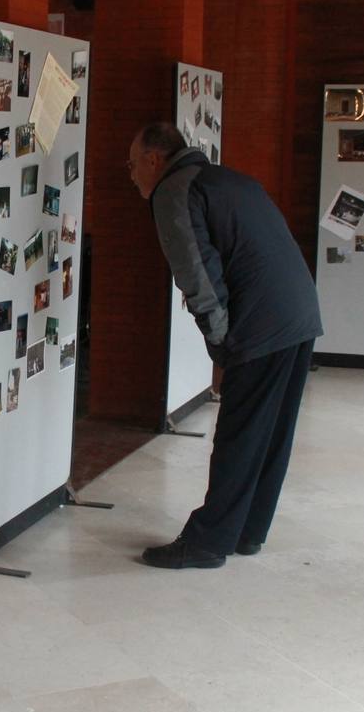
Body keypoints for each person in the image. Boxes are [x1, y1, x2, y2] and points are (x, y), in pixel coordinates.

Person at [127, 123, 321, 569]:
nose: (131, 173)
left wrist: (221, 342)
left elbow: (197, 275)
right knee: (270, 432)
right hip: (299, 313)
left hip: (262, 323)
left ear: (155, 159)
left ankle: (208, 543)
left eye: (133, 163)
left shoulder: (174, 191)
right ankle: (247, 531)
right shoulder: (229, 179)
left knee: (240, 433)